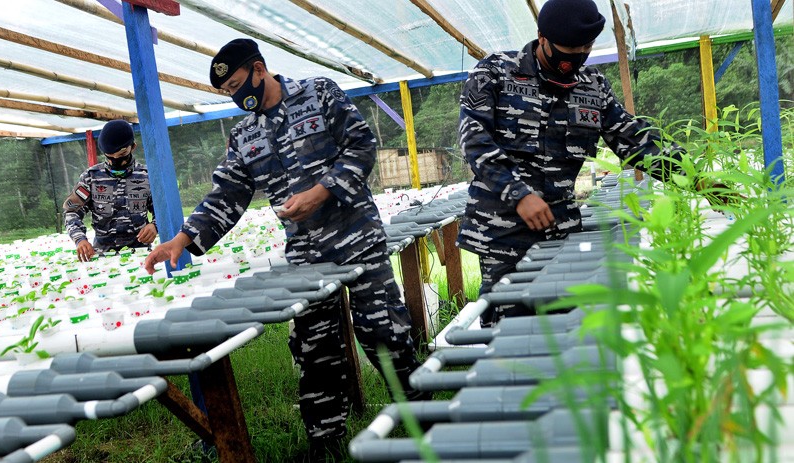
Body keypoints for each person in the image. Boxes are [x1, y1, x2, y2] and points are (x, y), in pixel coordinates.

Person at [143, 38, 427, 458]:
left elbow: (362, 147)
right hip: (307, 255)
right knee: (316, 347)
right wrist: (182, 239)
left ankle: (421, 419)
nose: (236, 96)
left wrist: (322, 192)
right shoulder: (244, 133)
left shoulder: (319, 93)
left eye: (238, 84)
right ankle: (326, 440)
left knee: (384, 331)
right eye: (226, 92)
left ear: (260, 70)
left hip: (356, 238)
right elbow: (227, 194)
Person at [457, 0, 717, 326]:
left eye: (586, 47)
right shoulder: (495, 72)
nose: (577, 55)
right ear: (542, 37)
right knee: (511, 330)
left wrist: (697, 179)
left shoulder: (592, 87)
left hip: (560, 229)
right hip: (503, 232)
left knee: (565, 324)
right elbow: (475, 138)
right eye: (569, 47)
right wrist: (519, 194)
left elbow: (634, 140)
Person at [63, 119, 157, 262]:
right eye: (109, 155)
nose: (115, 160)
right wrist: (79, 239)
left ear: (133, 147)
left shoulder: (146, 175)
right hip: (103, 256)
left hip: (141, 254)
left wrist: (155, 226)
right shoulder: (91, 177)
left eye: (121, 154)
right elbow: (71, 211)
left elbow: (162, 209)